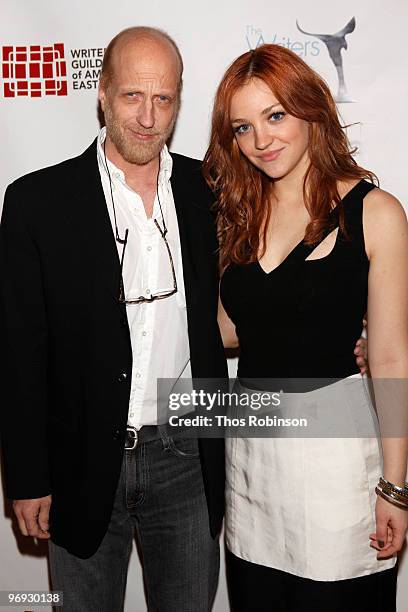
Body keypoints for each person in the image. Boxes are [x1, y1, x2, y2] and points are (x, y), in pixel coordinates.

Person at [0, 27, 228, 612]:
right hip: (78, 463)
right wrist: (27, 477)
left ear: (179, 102)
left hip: (186, 462)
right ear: (101, 94)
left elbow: (261, 296)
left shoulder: (215, 194)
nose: (148, 118)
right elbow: (19, 352)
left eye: (164, 99)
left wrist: (348, 340)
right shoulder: (36, 202)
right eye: (132, 96)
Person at [204, 44, 408, 611]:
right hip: (254, 462)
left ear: (310, 109)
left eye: (275, 116)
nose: (261, 140)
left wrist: (395, 486)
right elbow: (227, 332)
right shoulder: (240, 215)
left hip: (338, 466)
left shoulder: (376, 212)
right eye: (243, 127)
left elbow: (391, 358)